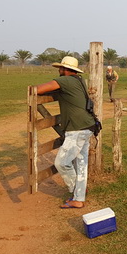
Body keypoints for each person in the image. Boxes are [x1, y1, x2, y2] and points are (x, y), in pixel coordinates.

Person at [35, 56, 95, 209]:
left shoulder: (66, 81)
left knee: (61, 163)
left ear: (66, 70)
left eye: (60, 69)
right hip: (87, 127)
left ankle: (77, 193)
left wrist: (30, 90)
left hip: (77, 129)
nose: (59, 71)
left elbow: (38, 89)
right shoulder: (79, 81)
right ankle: (79, 198)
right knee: (81, 164)